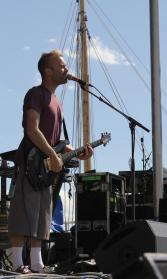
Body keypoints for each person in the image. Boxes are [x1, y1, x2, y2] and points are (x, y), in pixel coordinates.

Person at [8, 49, 93, 274]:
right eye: (62, 66)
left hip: (45, 168)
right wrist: (53, 155)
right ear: (48, 71)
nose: (67, 69)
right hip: (29, 163)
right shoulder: (36, 94)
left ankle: (36, 263)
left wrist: (77, 152)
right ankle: (17, 262)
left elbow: (56, 141)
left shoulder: (57, 101)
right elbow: (32, 129)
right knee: (23, 213)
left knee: (42, 215)